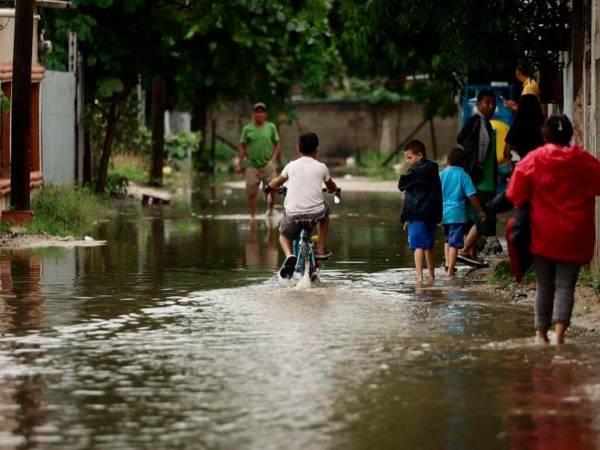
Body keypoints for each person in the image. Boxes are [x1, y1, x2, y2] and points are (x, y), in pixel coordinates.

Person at [507, 115, 600, 344]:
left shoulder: (533, 160)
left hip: (542, 235)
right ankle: (559, 337)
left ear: (544, 134)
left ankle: (541, 336)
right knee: (566, 285)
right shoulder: (584, 160)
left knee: (544, 285)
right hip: (575, 235)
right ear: (570, 134)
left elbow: (514, 195)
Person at [265, 132, 338, 279]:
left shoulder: (291, 166)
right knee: (326, 213)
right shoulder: (322, 167)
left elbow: (277, 182)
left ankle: (289, 255)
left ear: (298, 149)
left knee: (283, 236)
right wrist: (332, 189)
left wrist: (268, 188)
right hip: (316, 213)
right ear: (317, 149)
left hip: (294, 214)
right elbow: (331, 186)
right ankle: (321, 247)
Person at [457, 89, 498, 266]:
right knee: (484, 217)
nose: (491, 106)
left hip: (488, 179)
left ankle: (471, 255)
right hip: (479, 179)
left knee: (477, 217)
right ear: (478, 105)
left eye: (493, 103)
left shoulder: (487, 124)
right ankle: (464, 250)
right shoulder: (475, 121)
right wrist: (473, 158)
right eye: (487, 103)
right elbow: (462, 139)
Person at [398, 140, 442, 284]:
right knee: (429, 245)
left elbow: (409, 197)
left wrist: (404, 216)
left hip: (416, 214)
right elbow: (437, 193)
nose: (407, 161)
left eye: (409, 157)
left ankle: (419, 277)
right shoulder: (434, 169)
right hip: (431, 214)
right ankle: (431, 275)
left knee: (417, 246)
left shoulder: (413, 173)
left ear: (419, 155)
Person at [440, 148, 487, 276]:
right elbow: (471, 195)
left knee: (447, 241)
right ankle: (450, 271)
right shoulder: (464, 175)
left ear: (448, 161)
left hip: (443, 214)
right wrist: (480, 211)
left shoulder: (442, 174)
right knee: (455, 244)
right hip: (457, 215)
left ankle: (448, 264)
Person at [237, 102, 281, 218]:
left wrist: (273, 159)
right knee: (251, 193)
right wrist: (239, 164)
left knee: (272, 189)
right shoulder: (247, 129)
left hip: (268, 164)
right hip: (252, 165)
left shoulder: (271, 127)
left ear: (265, 114)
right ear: (253, 114)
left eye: (262, 112)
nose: (259, 114)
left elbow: (277, 144)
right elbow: (242, 146)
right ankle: (252, 217)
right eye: (257, 112)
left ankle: (271, 211)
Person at [503, 94, 545, 169]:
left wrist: (512, 168)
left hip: (523, 169)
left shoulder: (517, 126)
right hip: (540, 167)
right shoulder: (542, 126)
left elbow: (506, 152)